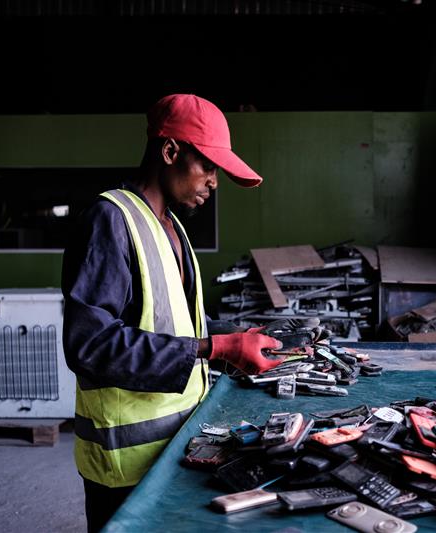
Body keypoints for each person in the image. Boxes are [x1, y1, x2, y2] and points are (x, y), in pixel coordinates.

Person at [61, 94, 285, 532]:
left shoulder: (172, 227)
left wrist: (235, 339)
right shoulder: (111, 220)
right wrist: (214, 346)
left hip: (175, 447)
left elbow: (175, 326)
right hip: (124, 467)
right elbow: (90, 345)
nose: (214, 182)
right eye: (209, 167)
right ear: (170, 152)